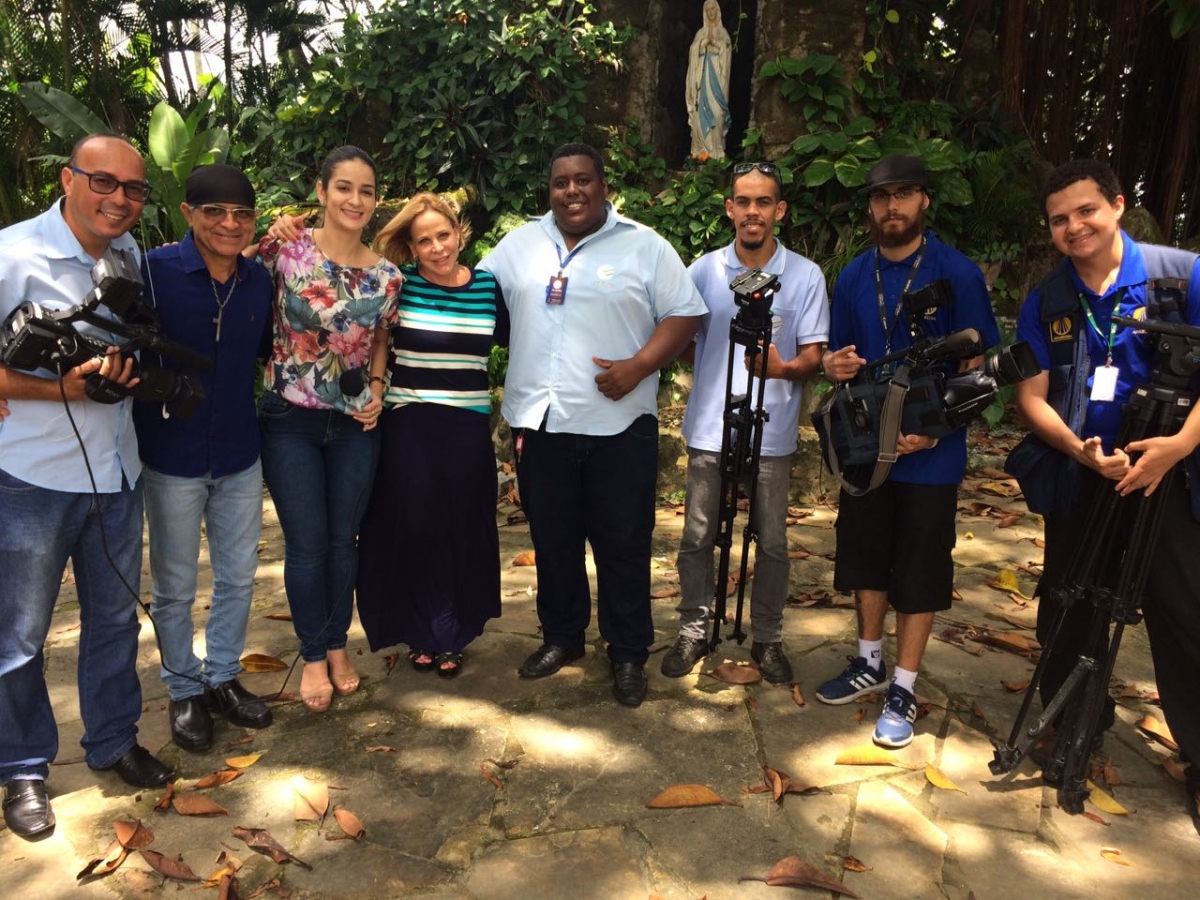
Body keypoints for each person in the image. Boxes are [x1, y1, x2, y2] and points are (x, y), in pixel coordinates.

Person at [478, 142, 706, 707]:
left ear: (604, 186)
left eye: (583, 180)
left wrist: (639, 366)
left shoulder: (644, 245)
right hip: (542, 420)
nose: (571, 191)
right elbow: (471, 292)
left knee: (623, 544)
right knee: (553, 541)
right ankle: (563, 638)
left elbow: (686, 313)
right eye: (560, 182)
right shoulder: (518, 245)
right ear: (549, 190)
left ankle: (628, 653)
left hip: (620, 425)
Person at [1011, 159, 1200, 821]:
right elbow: (1031, 395)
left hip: (1169, 478)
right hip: (1084, 473)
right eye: (1059, 218)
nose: (1074, 227)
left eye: (1086, 210)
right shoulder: (1048, 299)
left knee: (1184, 613)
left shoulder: (1183, 274)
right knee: (1068, 601)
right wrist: (1076, 449)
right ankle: (1073, 725)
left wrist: (1179, 445)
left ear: (1118, 205)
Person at [0, 133, 174, 841]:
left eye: (134, 190)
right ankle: (22, 766)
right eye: (105, 183)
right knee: (18, 635)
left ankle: (111, 740)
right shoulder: (13, 255)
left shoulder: (127, 258)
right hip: (30, 478)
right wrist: (57, 391)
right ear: (69, 179)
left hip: (116, 471)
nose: (120, 200)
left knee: (112, 621)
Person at [815, 154, 1000, 749]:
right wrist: (831, 363)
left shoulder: (958, 273)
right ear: (870, 207)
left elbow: (980, 369)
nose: (890, 206)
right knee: (865, 555)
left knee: (919, 567)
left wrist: (939, 429)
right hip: (867, 445)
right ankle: (869, 661)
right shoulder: (851, 276)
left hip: (930, 450)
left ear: (924, 201)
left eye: (903, 195)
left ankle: (904, 684)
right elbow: (837, 359)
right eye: (880, 197)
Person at [661, 161, 829, 681]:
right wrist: (717, 371)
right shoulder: (702, 271)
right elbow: (685, 342)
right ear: (730, 208)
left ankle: (768, 637)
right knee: (696, 533)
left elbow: (814, 355)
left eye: (763, 202)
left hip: (773, 428)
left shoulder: (804, 275)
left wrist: (781, 369)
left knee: (773, 540)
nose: (752, 212)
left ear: (778, 210)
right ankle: (693, 627)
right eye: (743, 201)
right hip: (711, 424)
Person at [133, 164, 274, 752]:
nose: (228, 224)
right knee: (173, 586)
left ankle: (221, 676)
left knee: (240, 576)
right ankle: (183, 686)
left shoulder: (260, 280)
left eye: (241, 214)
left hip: (240, 450)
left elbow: (266, 352)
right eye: (213, 212)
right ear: (189, 214)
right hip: (171, 455)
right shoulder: (154, 272)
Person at [257, 145, 402, 713]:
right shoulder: (287, 250)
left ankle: (339, 645)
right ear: (321, 192)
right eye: (344, 187)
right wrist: (269, 229)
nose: (355, 199)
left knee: (345, 541)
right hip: (289, 418)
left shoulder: (387, 275)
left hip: (353, 425)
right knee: (307, 544)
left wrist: (379, 388)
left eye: (366, 190)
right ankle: (313, 653)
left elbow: (382, 339)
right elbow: (228, 270)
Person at [356, 192, 508, 678]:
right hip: (411, 421)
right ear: (412, 248)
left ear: (459, 233)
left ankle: (453, 635)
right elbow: (378, 338)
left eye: (444, 235)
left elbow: (526, 338)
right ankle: (422, 631)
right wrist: (376, 388)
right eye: (425, 240)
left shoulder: (488, 286)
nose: (438, 247)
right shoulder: (401, 285)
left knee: (461, 524)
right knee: (415, 525)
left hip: (466, 424)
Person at [686, 0, 732, 160]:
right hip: (701, 79)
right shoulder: (700, 33)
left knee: (718, 113)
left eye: (713, 9)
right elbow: (693, 53)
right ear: (704, 13)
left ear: (717, 11)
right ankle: (701, 151)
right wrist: (701, 45)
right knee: (699, 114)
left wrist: (717, 45)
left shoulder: (723, 33)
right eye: (707, 10)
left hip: (717, 79)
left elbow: (727, 53)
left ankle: (716, 152)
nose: (710, 12)